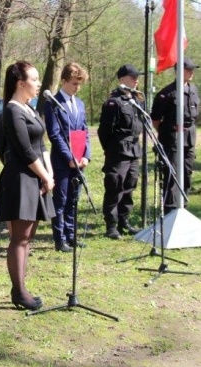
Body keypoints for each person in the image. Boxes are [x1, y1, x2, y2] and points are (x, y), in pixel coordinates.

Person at [0, 61, 55, 311]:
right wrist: (44, 176)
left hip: (36, 178)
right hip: (21, 180)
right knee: (19, 238)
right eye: (35, 79)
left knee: (28, 237)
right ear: (21, 83)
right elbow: (24, 150)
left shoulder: (29, 109)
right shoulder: (12, 110)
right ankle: (19, 292)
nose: (39, 83)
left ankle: (20, 287)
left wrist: (48, 174)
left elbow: (41, 146)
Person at [44, 62, 91, 252]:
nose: (77, 87)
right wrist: (68, 157)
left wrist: (86, 155)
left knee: (73, 199)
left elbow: (85, 130)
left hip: (79, 160)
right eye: (73, 83)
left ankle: (72, 236)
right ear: (63, 81)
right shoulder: (53, 104)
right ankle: (60, 238)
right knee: (61, 200)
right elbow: (55, 134)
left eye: (79, 84)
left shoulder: (79, 103)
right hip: (63, 161)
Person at [97, 64, 144, 240]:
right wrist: (110, 150)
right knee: (115, 186)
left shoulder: (136, 100)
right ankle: (111, 225)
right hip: (118, 150)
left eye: (137, 77)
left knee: (129, 185)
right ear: (122, 79)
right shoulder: (113, 102)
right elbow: (104, 131)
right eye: (132, 77)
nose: (136, 80)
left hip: (133, 150)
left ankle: (124, 221)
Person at [150, 57, 200, 214]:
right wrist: (168, 132)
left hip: (189, 138)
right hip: (172, 138)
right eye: (188, 69)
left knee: (186, 171)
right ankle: (171, 209)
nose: (191, 72)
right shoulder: (167, 93)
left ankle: (182, 206)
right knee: (172, 173)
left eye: (192, 70)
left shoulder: (193, 90)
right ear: (179, 71)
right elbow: (156, 119)